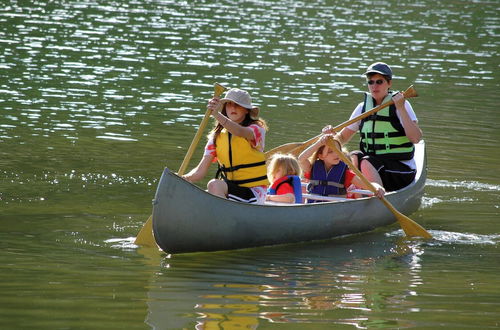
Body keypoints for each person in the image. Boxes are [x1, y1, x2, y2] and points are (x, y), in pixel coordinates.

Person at [332, 62, 423, 192]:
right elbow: (342, 137)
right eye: (371, 82)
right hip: (373, 166)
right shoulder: (362, 108)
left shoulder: (402, 105)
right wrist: (330, 137)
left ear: (389, 83)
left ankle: (376, 196)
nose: (374, 86)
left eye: (379, 82)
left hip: (401, 170)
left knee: (366, 161)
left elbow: (416, 138)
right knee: (353, 157)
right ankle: (351, 194)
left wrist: (401, 108)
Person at [182, 88, 269, 204]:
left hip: (254, 193)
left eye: (237, 105)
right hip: (232, 191)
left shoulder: (256, 129)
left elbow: (239, 132)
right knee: (205, 194)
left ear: (247, 110)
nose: (233, 108)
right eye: (229, 105)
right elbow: (200, 172)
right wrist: (182, 179)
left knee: (214, 184)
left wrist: (216, 115)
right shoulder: (215, 137)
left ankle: (224, 218)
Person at [298, 134, 385, 202]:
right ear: (320, 156)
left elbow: (367, 185)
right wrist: (319, 143)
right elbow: (301, 159)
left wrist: (377, 187)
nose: (336, 154)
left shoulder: (345, 173)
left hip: (335, 208)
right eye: (330, 151)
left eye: (338, 150)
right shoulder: (312, 169)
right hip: (314, 206)